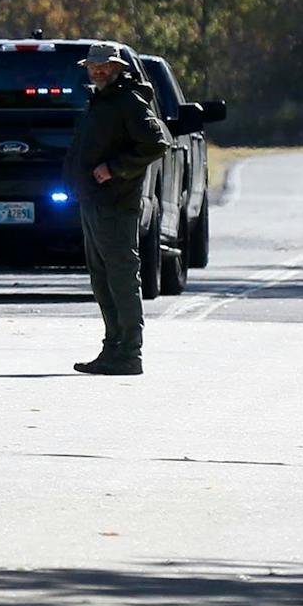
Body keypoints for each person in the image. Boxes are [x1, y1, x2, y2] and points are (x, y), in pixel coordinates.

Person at [63, 43, 170, 376]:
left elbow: (156, 144)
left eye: (104, 66)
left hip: (116, 204)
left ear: (117, 68)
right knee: (102, 279)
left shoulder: (128, 101)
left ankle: (129, 353)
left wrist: (115, 168)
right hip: (93, 201)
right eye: (93, 66)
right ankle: (112, 348)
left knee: (121, 278)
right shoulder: (99, 101)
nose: (97, 71)